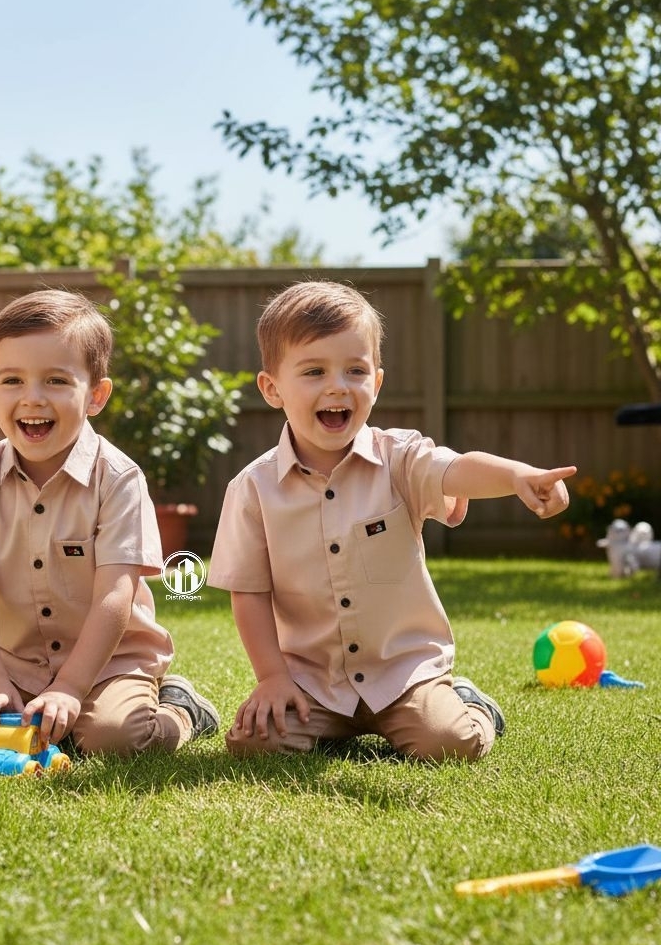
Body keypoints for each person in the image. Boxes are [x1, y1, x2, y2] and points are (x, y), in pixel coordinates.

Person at [207, 281, 576, 762]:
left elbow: (457, 467)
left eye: (355, 370)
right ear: (272, 388)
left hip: (403, 674)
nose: (338, 386)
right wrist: (273, 678)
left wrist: (518, 475)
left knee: (449, 743)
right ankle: (320, 725)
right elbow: (249, 593)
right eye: (315, 371)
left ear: (376, 384)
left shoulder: (399, 458)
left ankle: (470, 704)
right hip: (314, 681)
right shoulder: (253, 489)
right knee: (254, 744)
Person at [0, 288, 218, 756]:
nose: (32, 399)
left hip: (111, 661)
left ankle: (180, 708)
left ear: (95, 395)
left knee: (114, 739)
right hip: (17, 664)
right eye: (12, 381)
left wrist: (71, 686)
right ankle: (47, 713)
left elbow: (116, 592)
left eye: (55, 381)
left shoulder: (118, 480)